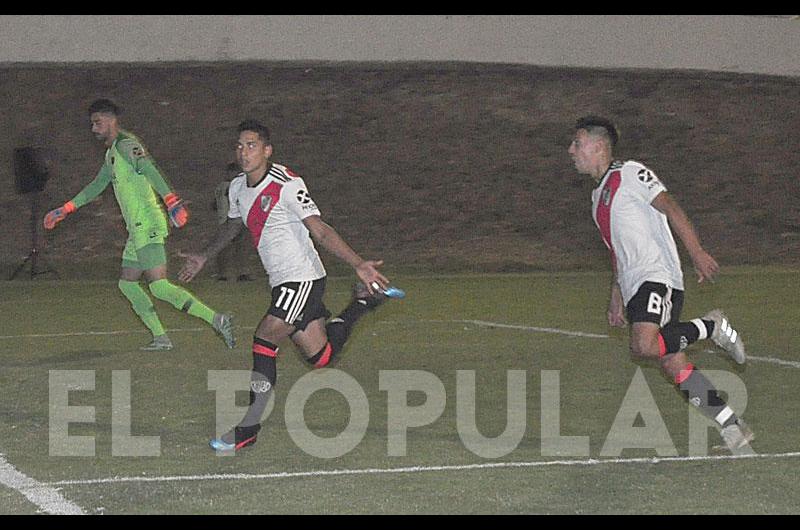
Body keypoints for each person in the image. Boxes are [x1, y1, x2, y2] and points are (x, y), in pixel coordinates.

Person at [179, 120, 404, 452]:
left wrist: (358, 263)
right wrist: (204, 256)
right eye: (239, 146)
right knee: (321, 356)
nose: (244, 152)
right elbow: (233, 225)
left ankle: (248, 428)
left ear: (267, 150)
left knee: (264, 337)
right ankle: (363, 302)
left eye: (252, 145)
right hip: (282, 281)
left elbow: (320, 230)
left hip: (302, 277)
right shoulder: (237, 187)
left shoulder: (286, 183)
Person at [568, 116, 753, 454]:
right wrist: (616, 295)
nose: (572, 151)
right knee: (672, 363)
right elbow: (617, 252)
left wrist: (696, 251)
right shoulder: (598, 199)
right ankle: (732, 425)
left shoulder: (631, 173)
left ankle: (711, 326)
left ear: (599, 146)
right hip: (634, 281)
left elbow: (669, 206)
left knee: (643, 346)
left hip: (657, 275)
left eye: (578, 143)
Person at [43, 99, 235, 352]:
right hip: (137, 229)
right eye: (92, 123)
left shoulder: (126, 145)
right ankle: (161, 338)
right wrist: (65, 209)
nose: (93, 128)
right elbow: (97, 185)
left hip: (148, 223)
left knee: (159, 286)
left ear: (111, 119)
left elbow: (149, 169)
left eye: (97, 122)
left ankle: (216, 319)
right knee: (128, 284)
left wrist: (172, 201)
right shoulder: (112, 153)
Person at [212, 163, 253, 282]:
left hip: (228, 220)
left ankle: (234, 273)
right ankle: (235, 273)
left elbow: (214, 204)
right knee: (229, 248)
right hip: (233, 220)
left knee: (237, 248)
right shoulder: (234, 186)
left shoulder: (221, 186)